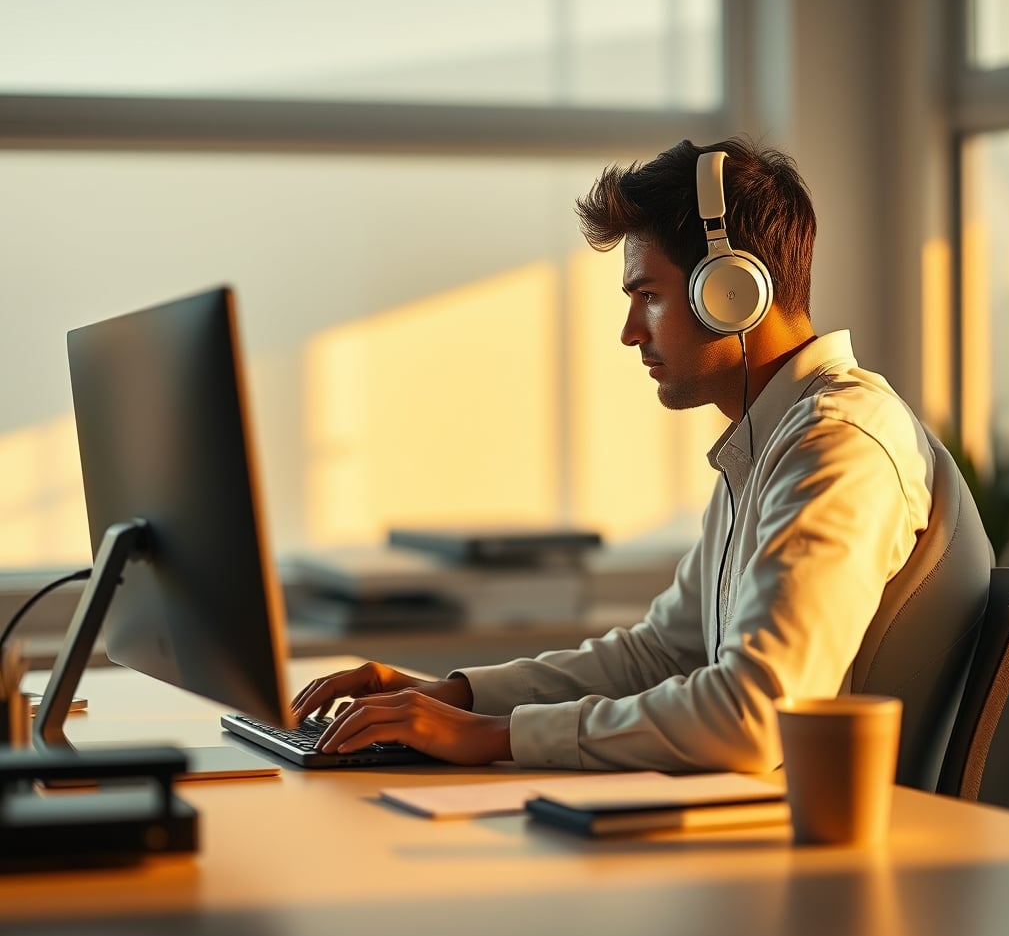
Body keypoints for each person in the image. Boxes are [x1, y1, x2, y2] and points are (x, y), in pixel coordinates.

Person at [292, 135, 938, 773]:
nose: (630, 333)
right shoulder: (771, 441)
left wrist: (493, 736)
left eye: (648, 296)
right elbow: (658, 654)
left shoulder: (838, 443)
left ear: (732, 292)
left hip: (857, 843)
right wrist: (453, 697)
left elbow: (755, 715)